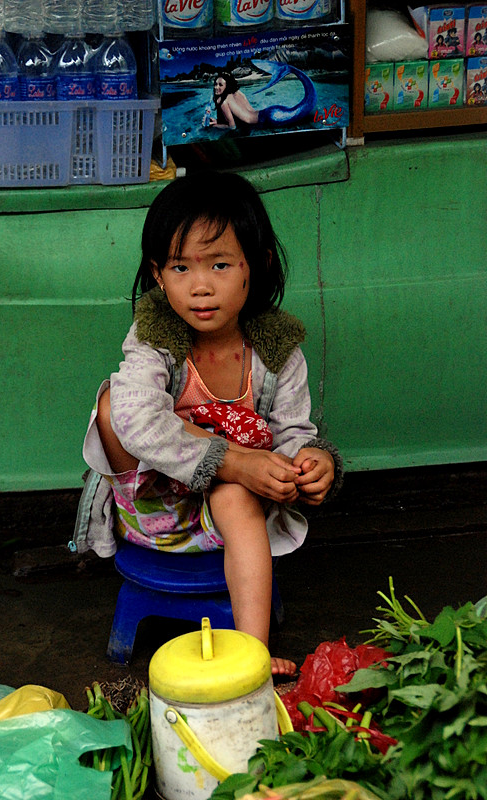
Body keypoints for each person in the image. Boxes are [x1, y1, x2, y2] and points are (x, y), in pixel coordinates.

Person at [83, 171, 343, 676]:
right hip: (154, 511)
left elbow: (293, 434)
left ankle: (252, 655)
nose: (200, 286)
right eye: (181, 267)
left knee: (236, 491)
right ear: (158, 275)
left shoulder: (277, 353)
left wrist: (313, 464)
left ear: (256, 266)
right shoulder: (154, 338)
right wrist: (233, 459)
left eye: (220, 264)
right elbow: (136, 420)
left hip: (229, 518)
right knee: (117, 404)